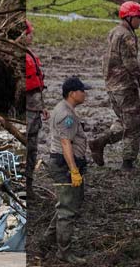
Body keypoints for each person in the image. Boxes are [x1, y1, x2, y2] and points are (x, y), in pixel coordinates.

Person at [88, 2, 140, 170]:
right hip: (125, 86)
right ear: (129, 17)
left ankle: (100, 142)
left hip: (112, 84)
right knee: (135, 125)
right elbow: (131, 63)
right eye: (138, 18)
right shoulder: (127, 35)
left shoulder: (114, 31)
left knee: (123, 120)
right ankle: (128, 162)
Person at [48, 76, 91, 264]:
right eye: (83, 91)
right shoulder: (66, 115)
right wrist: (73, 170)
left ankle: (45, 243)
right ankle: (64, 252)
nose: (85, 94)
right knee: (67, 210)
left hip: (66, 164)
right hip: (64, 166)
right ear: (73, 94)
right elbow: (65, 143)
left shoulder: (65, 109)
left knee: (66, 206)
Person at [23, 19, 48, 185]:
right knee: (26, 146)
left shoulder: (30, 55)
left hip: (35, 109)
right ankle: (23, 182)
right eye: (29, 33)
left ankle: (29, 182)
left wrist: (42, 107)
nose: (31, 36)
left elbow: (38, 86)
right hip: (27, 111)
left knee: (32, 148)